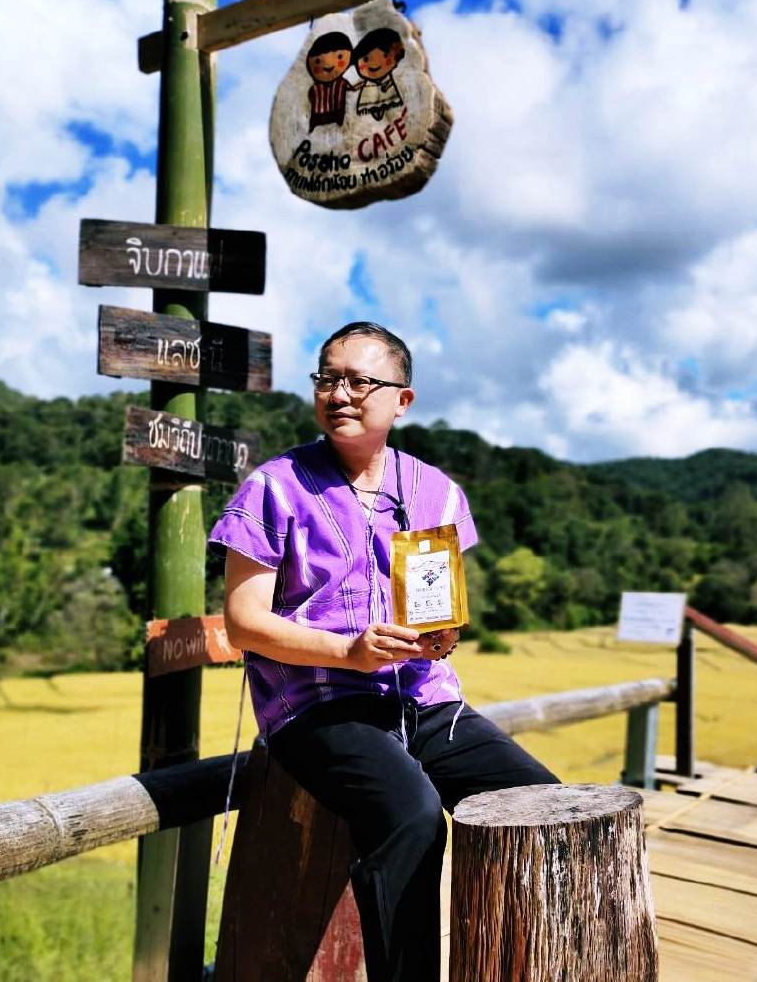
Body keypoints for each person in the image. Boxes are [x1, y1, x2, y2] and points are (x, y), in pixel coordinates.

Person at [209, 321, 558, 982]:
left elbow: (440, 613)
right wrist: (348, 650)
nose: (339, 393)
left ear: (402, 400)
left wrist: (440, 636)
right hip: (317, 706)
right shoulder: (274, 487)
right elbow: (243, 623)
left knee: (539, 801)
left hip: (420, 698)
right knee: (414, 814)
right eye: (327, 378)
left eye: (359, 380)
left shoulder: (434, 493)